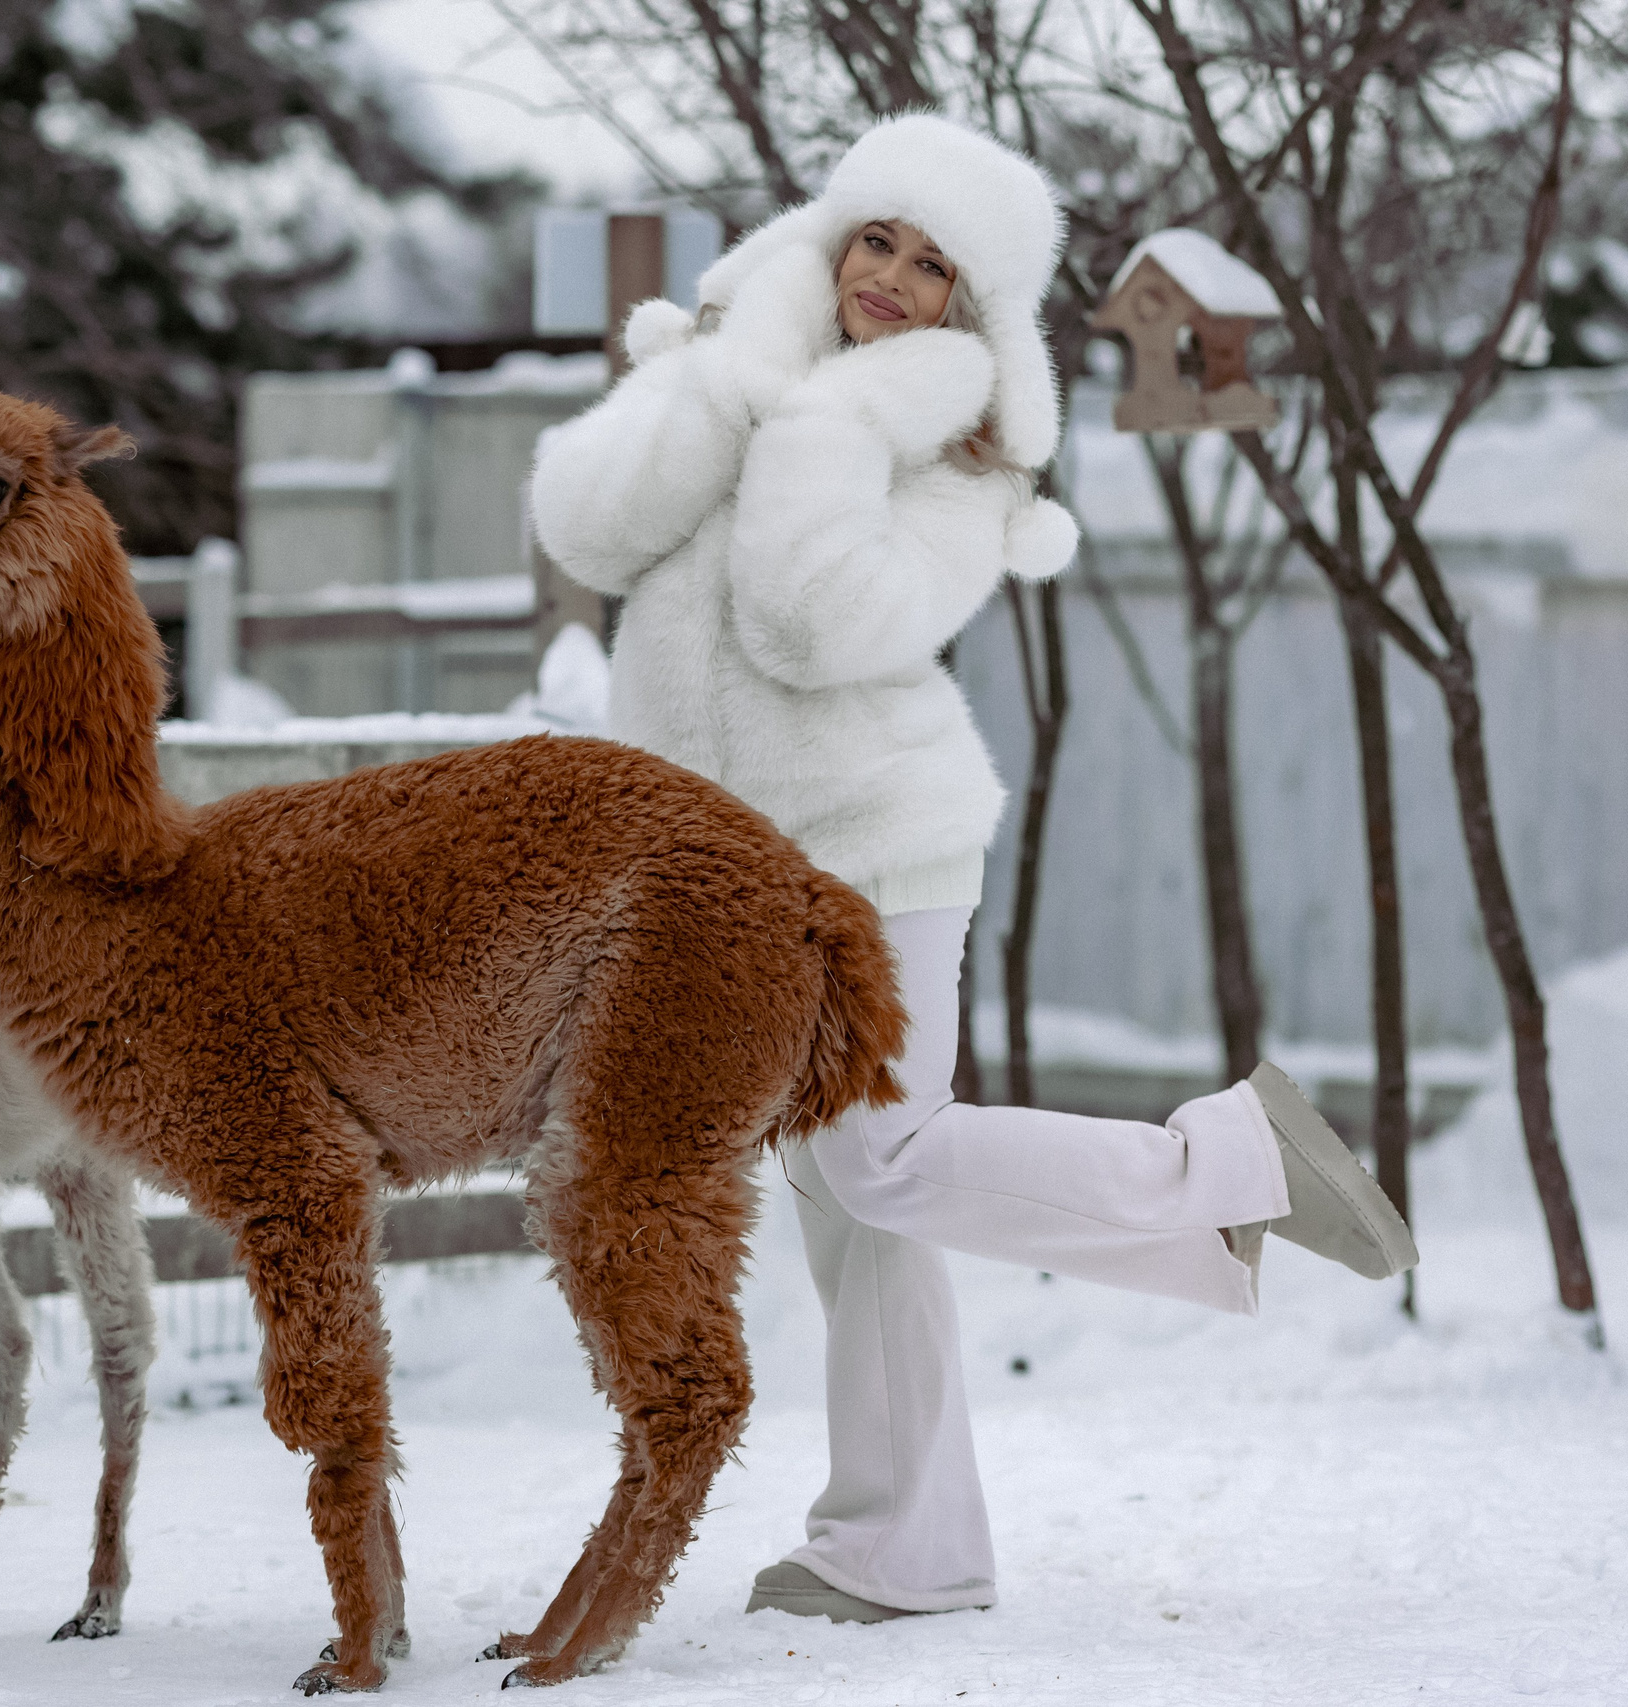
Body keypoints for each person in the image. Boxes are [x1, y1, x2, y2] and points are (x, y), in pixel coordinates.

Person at [528, 113, 1415, 1628]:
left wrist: (826, 425)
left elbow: (814, 623)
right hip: (717, 865)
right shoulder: (740, 364)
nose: (887, 276)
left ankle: (1238, 1166)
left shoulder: (958, 458)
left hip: (878, 847)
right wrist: (730, 380)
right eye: (874, 237)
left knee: (878, 1153)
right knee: (844, 1194)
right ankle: (905, 1546)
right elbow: (587, 527)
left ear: (969, 304)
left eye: (931, 264)